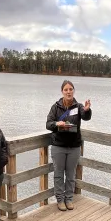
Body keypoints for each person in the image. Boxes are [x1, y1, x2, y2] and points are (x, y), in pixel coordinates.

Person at [46, 80, 92, 211]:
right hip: (58, 146)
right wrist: (57, 124)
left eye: (70, 89)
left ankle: (69, 198)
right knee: (59, 174)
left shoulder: (79, 107)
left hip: (74, 147)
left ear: (73, 91)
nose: (68, 92)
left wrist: (87, 110)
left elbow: (85, 116)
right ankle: (60, 200)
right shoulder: (55, 107)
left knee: (71, 174)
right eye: (66, 89)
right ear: (62, 92)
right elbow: (48, 124)